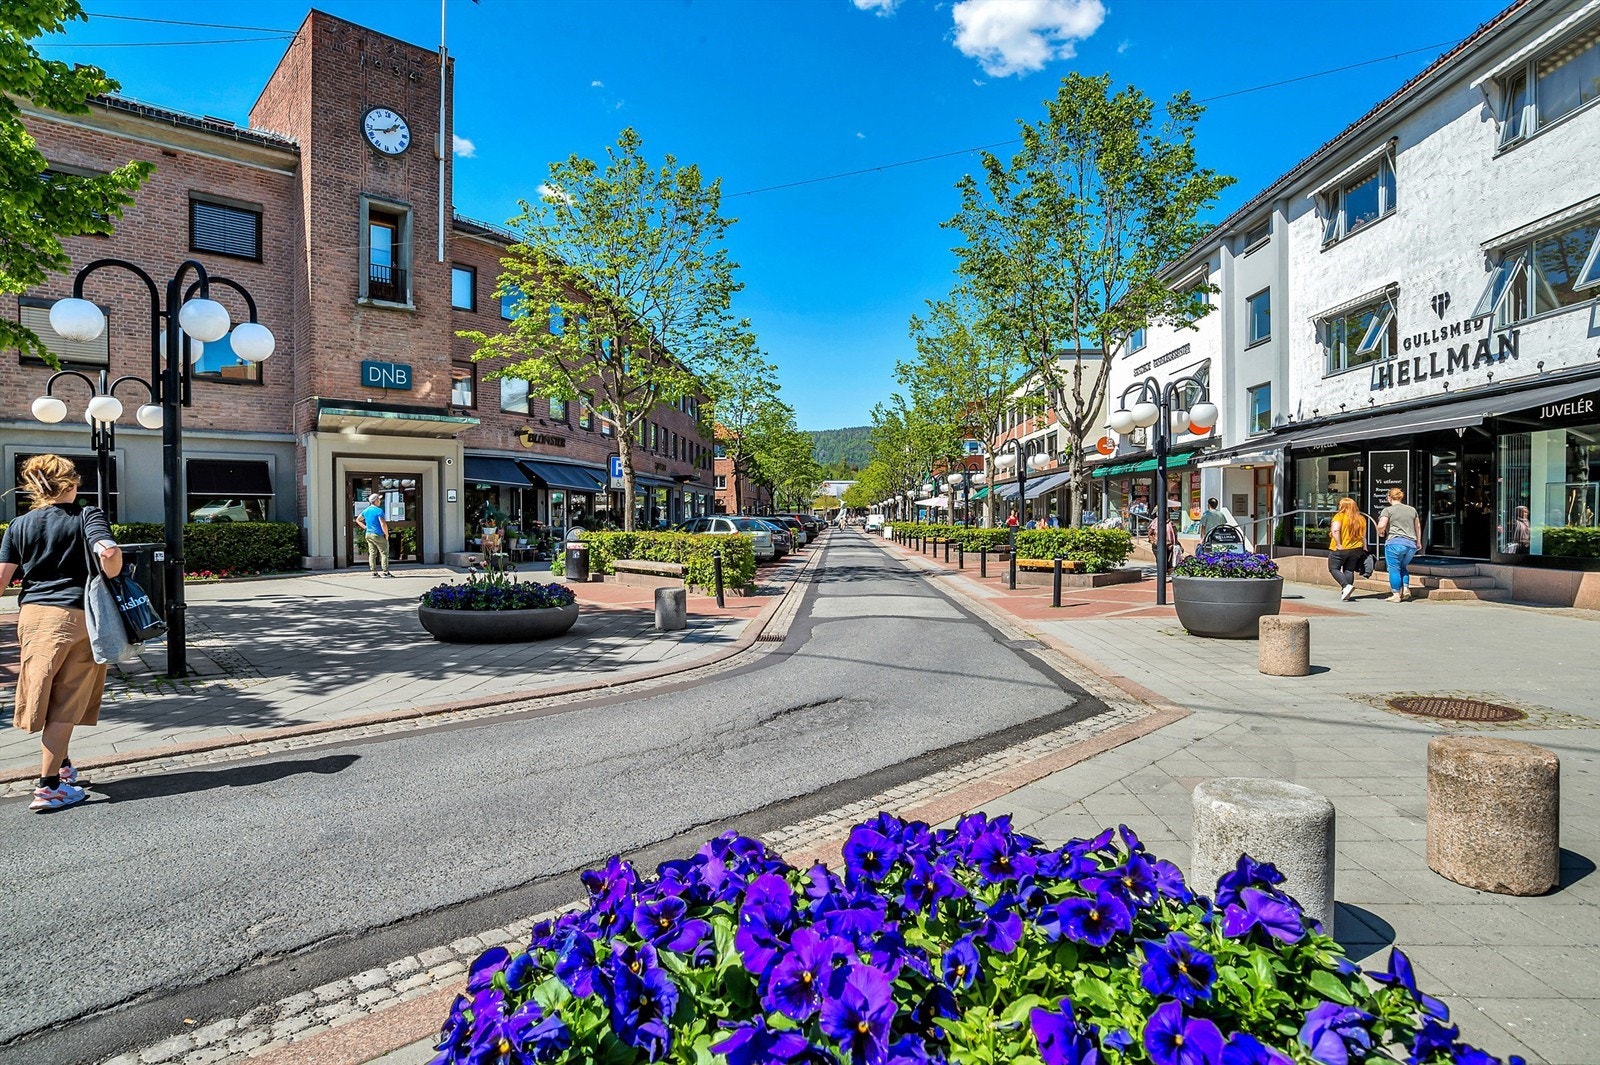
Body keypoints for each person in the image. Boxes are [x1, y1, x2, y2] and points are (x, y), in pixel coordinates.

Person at [0, 455, 123, 813]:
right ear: (72, 483)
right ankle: (50, 786)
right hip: (76, 616)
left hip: (32, 617)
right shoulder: (87, 515)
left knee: (42, 690)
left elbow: (2, 578)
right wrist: (111, 562)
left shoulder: (19, 525)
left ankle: (63, 766)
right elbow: (109, 554)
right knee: (66, 702)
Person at [1376, 486, 1420, 602]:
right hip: (1411, 544)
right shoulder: (1412, 510)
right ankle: (1405, 588)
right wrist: (1419, 542)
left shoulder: (1388, 510)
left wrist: (1380, 532)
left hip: (1394, 543)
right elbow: (1418, 527)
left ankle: (1396, 594)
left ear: (1389, 497)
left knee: (1394, 568)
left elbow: (1381, 525)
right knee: (1402, 567)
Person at [1327, 497, 1367, 601]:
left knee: (1333, 568)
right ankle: (1346, 591)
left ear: (1342, 506)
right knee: (1349, 570)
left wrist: (1338, 544)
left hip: (1341, 548)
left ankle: (1345, 586)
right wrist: (1365, 548)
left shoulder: (1339, 516)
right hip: (1357, 548)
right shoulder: (1361, 518)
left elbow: (1335, 531)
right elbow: (1363, 535)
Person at [360, 493, 393, 578]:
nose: (380, 501)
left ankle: (374, 572)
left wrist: (366, 527)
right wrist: (386, 534)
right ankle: (385, 572)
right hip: (377, 534)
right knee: (384, 553)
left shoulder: (366, 510)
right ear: (376, 501)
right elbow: (383, 523)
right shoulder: (379, 511)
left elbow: (358, 520)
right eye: (379, 499)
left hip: (368, 534)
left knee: (372, 553)